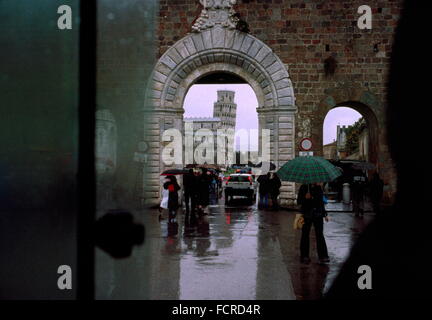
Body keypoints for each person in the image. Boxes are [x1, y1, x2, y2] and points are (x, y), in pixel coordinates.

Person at [297, 183, 329, 264]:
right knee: (305, 234)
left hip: (318, 214)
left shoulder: (318, 188)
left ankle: (323, 256)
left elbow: (321, 202)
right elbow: (299, 201)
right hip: (306, 214)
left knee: (320, 235)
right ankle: (304, 256)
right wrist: (305, 198)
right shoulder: (304, 187)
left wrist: (325, 214)